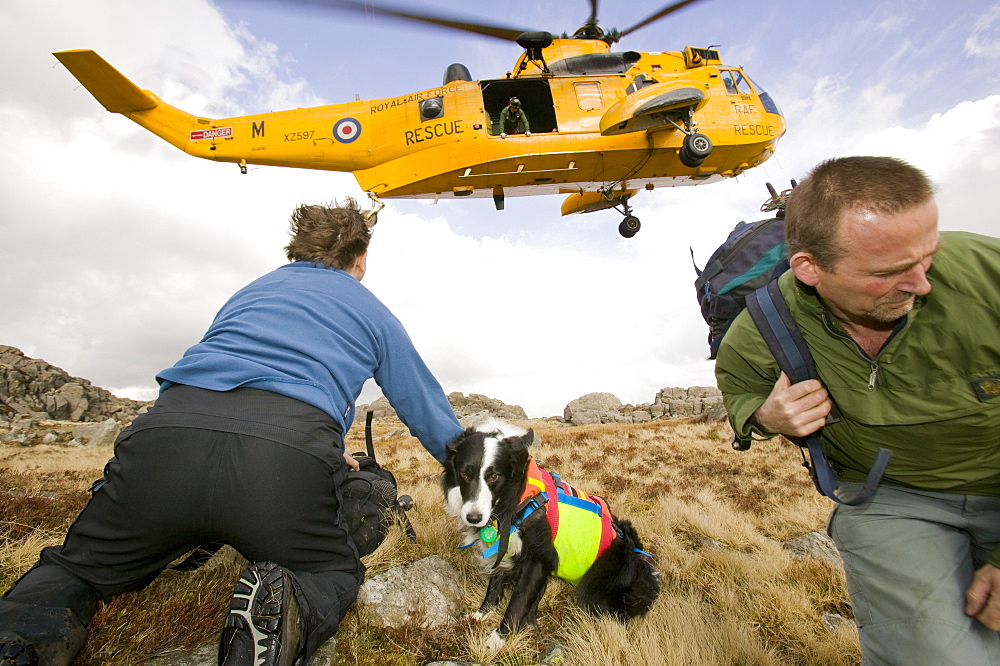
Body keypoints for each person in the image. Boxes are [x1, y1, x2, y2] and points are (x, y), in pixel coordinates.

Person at [0, 199, 464, 666]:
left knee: (77, 569)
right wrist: (491, 475)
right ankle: (288, 606)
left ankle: (19, 641)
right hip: (283, 462)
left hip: (164, 440)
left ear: (297, 249)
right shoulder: (373, 312)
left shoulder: (251, 293)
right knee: (329, 572)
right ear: (360, 256)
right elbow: (426, 411)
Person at [715, 155, 1000, 664]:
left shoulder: (988, 273)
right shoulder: (762, 327)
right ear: (809, 269)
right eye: (889, 272)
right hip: (894, 499)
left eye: (927, 255)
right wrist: (767, 417)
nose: (922, 283)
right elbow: (739, 392)